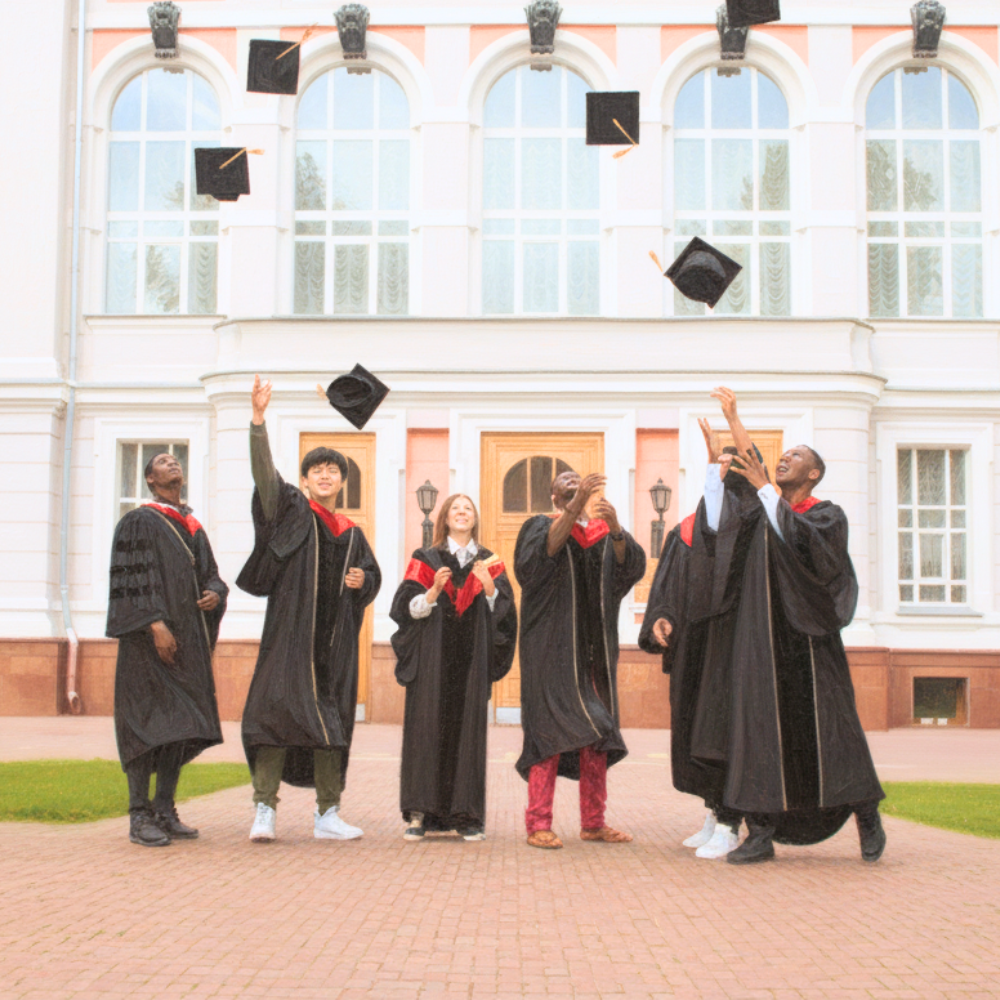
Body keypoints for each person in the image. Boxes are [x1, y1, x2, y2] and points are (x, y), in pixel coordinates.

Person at [710, 388, 886, 864]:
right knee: (759, 732)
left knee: (833, 733)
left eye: (795, 457)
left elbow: (806, 544)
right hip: (764, 642)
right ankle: (761, 833)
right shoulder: (760, 513)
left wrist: (766, 487)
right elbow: (749, 478)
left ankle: (866, 813)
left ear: (813, 473)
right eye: (782, 455)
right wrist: (734, 419)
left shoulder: (826, 516)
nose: (784, 459)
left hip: (808, 643)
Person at [237, 375, 381, 843]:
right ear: (303, 480)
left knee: (330, 725)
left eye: (332, 470)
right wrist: (258, 422)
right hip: (291, 637)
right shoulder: (293, 510)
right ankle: (264, 810)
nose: (324, 475)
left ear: (342, 481)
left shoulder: (352, 532)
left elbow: (372, 576)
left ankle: (327, 814)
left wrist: (363, 581)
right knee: (276, 717)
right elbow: (264, 477)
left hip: (333, 645)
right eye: (316, 469)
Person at [639, 416, 762, 860]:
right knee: (695, 731)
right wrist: (661, 617)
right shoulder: (687, 529)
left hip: (731, 645)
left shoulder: (753, 525)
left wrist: (733, 425)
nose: (722, 471)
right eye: (715, 467)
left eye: (730, 468)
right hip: (694, 647)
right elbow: (667, 584)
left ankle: (732, 820)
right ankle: (714, 810)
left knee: (722, 731)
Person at [514, 470, 646, 849]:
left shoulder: (602, 535)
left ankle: (593, 823)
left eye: (578, 481)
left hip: (593, 656)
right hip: (550, 654)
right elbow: (540, 559)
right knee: (548, 737)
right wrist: (574, 509)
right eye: (564, 483)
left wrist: (617, 527)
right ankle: (538, 823)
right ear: (555, 498)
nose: (572, 480)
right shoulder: (539, 526)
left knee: (597, 738)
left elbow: (630, 568)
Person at [106, 452, 227, 847]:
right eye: (162, 461)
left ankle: (164, 808)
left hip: (187, 646)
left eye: (176, 459)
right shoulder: (138, 521)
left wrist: (214, 593)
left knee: (180, 727)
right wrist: (155, 623)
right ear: (150, 478)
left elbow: (212, 575)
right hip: (148, 649)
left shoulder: (192, 527)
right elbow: (132, 580)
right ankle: (139, 815)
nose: (172, 463)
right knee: (146, 726)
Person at [390, 494, 517, 841]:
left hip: (471, 664)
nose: (462, 514)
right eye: (455, 509)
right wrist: (432, 592)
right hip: (431, 663)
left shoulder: (489, 562)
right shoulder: (425, 559)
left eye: (468, 509)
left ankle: (467, 815)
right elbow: (403, 608)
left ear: (474, 519)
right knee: (425, 731)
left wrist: (490, 588)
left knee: (468, 735)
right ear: (445, 518)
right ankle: (419, 813)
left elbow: (506, 617)